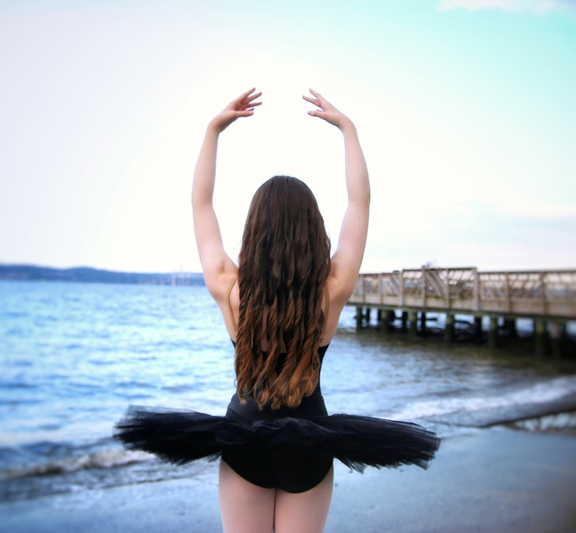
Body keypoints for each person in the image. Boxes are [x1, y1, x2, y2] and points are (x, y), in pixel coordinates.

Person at [115, 89, 439, 533]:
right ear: (312, 230)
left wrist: (213, 131)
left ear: (255, 230)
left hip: (243, 439)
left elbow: (201, 204)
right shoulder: (331, 291)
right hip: (310, 443)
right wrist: (348, 130)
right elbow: (359, 203)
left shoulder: (230, 288)